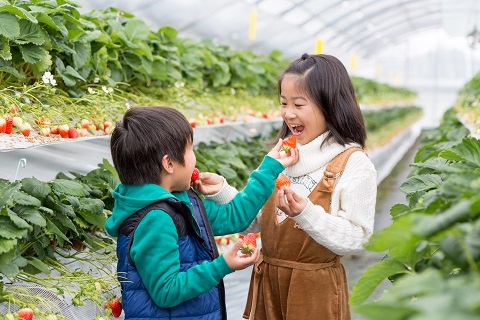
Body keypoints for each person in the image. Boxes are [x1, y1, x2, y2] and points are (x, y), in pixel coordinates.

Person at [206, 53, 377, 319]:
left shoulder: (353, 163)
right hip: (269, 284)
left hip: (314, 291)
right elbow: (261, 222)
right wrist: (223, 191)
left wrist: (305, 213)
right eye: (283, 103)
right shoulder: (282, 157)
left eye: (298, 104)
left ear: (331, 106)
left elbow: (357, 237)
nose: (287, 113)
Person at [105, 106, 298, 320]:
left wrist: (270, 167)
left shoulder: (181, 200)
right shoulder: (155, 219)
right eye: (190, 150)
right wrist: (222, 265)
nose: (194, 158)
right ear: (169, 163)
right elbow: (166, 290)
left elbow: (236, 216)